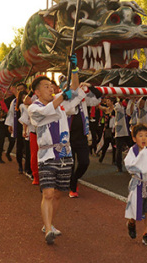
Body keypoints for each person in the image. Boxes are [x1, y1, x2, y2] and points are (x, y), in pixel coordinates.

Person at [28, 56, 85, 245]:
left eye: (51, 86)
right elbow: (45, 113)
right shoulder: (34, 107)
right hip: (46, 156)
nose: (50, 88)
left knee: (59, 193)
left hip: (64, 155)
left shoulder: (61, 104)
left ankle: (49, 224)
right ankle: (48, 230)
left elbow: (75, 92)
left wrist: (74, 70)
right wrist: (62, 95)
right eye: (46, 86)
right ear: (36, 92)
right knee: (48, 193)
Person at [67, 82, 102, 197]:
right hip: (67, 138)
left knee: (84, 162)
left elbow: (98, 98)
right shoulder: (65, 99)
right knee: (70, 164)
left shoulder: (83, 99)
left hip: (82, 137)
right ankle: (73, 188)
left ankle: (75, 179)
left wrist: (90, 86)